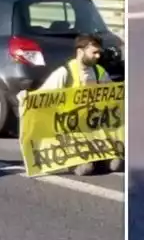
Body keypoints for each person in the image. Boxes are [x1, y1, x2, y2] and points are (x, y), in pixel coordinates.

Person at [28, 33, 123, 176]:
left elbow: (115, 96)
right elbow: (42, 98)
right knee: (86, 169)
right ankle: (75, 160)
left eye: (99, 53)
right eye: (94, 52)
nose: (98, 56)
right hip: (71, 133)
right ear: (80, 52)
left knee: (116, 165)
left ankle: (99, 158)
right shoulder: (64, 73)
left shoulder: (99, 72)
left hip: (96, 131)